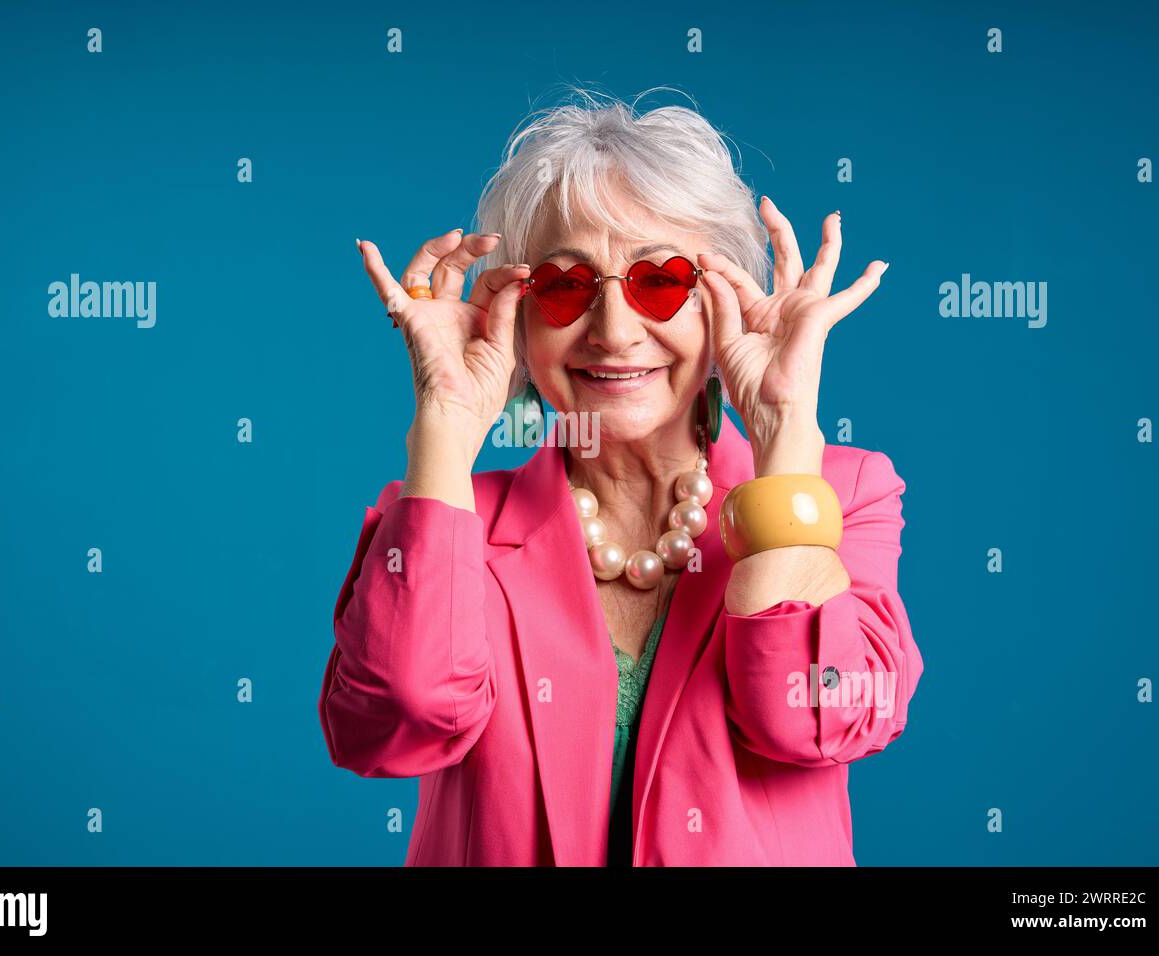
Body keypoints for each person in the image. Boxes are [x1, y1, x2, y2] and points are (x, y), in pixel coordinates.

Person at [319, 89, 923, 866]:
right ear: (517, 314)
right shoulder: (447, 520)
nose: (612, 331)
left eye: (660, 281)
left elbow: (816, 719)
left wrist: (782, 438)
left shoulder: (846, 493)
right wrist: (446, 425)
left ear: (726, 306)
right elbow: (392, 727)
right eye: (566, 286)